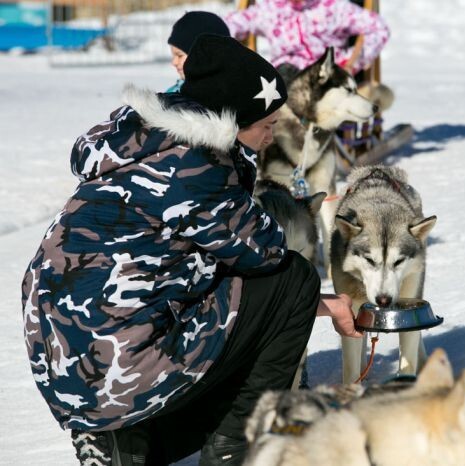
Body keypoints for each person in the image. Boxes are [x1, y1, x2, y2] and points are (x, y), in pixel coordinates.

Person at [20, 34, 361, 466]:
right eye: (266, 125)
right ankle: (233, 446)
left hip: (65, 367)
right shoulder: (199, 164)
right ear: (233, 121)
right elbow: (266, 254)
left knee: (203, 289)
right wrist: (323, 301)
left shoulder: (137, 144)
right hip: (117, 367)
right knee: (295, 279)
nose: (272, 136)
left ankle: (125, 443)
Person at [223, 0, 389, 76]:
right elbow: (234, 22)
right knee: (279, 80)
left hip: (327, 73)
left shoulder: (334, 7)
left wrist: (352, 62)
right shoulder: (271, 8)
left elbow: (378, 28)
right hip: (285, 73)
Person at [166, 10, 230, 92]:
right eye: (173, 56)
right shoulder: (173, 95)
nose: (174, 62)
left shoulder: (228, 95)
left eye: (179, 55)